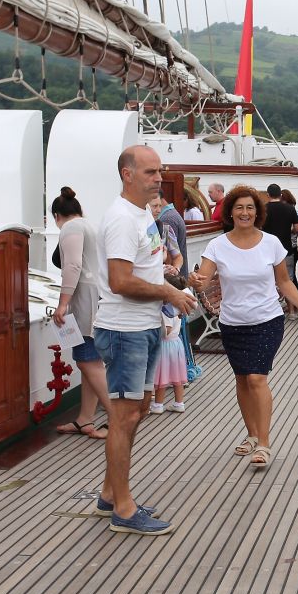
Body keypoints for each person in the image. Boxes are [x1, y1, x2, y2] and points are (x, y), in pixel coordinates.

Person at [93, 145, 197, 536]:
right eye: (151, 172)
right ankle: (123, 508)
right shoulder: (122, 219)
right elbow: (119, 282)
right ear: (127, 174)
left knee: (133, 415)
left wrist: (176, 281)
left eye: (160, 171)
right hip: (125, 330)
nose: (158, 178)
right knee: (124, 419)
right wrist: (169, 294)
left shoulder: (142, 215)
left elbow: (144, 268)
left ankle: (109, 494)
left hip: (143, 326)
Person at [190, 185, 298, 468]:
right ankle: (250, 433)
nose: (245, 213)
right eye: (239, 208)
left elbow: (284, 281)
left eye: (250, 208)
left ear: (257, 212)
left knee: (257, 378)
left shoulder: (271, 243)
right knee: (242, 380)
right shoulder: (217, 245)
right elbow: (205, 278)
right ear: (230, 212)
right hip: (233, 322)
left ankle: (264, 443)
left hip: (267, 320)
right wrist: (195, 281)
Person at [49, 187, 109, 440]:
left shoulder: (71, 228)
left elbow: (72, 265)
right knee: (91, 362)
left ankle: (118, 418)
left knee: (86, 361)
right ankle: (85, 419)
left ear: (56, 215)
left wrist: (62, 304)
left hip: (84, 299)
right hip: (97, 296)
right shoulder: (89, 225)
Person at [148, 305, 189, 414]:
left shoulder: (166, 309)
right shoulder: (178, 307)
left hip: (165, 345)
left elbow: (167, 330)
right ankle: (179, 403)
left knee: (162, 376)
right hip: (176, 343)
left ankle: (158, 405)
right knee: (178, 376)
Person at [262, 183, 298, 279]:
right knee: (287, 279)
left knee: (269, 280)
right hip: (286, 249)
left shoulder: (263, 209)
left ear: (268, 195)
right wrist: (289, 230)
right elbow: (297, 228)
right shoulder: (290, 208)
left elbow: (257, 228)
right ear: (281, 195)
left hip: (267, 250)